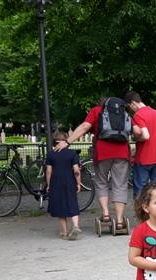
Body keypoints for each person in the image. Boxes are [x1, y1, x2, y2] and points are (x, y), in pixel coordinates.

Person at [54, 97, 132, 234]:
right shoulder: (123, 113)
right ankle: (120, 221)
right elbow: (136, 131)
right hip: (122, 152)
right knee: (120, 185)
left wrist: (67, 142)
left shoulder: (96, 111)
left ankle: (106, 214)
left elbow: (85, 127)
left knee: (101, 182)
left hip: (102, 152)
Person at [124, 91, 156, 197]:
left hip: (144, 158)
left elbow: (146, 136)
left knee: (140, 189)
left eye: (129, 106)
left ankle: (140, 208)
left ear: (133, 103)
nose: (131, 109)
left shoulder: (138, 115)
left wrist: (135, 138)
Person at [46, 131, 82, 240]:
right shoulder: (72, 154)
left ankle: (64, 232)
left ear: (54, 142)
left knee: (60, 207)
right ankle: (75, 226)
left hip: (56, 183)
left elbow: (49, 171)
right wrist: (78, 183)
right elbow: (76, 170)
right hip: (70, 182)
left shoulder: (51, 154)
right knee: (73, 203)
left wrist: (48, 185)